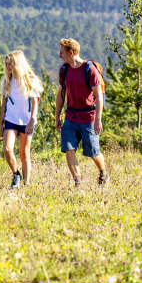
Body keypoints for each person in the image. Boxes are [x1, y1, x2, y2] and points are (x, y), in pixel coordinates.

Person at [54, 38, 108, 186]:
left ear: (71, 53)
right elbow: (61, 94)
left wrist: (98, 120)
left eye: (62, 53)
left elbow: (99, 96)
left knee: (93, 153)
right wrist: (57, 117)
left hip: (88, 118)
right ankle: (77, 182)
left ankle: (103, 173)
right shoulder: (64, 70)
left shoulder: (89, 69)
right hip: (71, 117)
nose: (60, 56)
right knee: (69, 149)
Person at [0, 50, 43, 188]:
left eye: (10, 64)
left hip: (26, 121)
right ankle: (16, 173)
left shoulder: (31, 81)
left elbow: (35, 103)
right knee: (7, 149)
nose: (8, 67)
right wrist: (0, 123)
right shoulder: (6, 81)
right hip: (11, 119)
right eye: (6, 64)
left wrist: (32, 121)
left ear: (18, 64)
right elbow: (4, 104)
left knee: (24, 154)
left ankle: (26, 184)